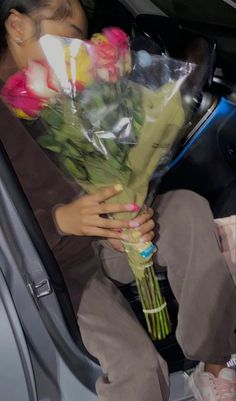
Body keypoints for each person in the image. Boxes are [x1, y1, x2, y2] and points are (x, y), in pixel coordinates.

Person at [0, 1, 235, 401]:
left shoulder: (64, 89)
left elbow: (92, 166)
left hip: (105, 240)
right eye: (70, 36)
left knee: (185, 209)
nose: (79, 51)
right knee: (138, 367)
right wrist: (60, 221)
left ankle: (213, 363)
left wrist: (124, 213)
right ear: (18, 26)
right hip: (61, 274)